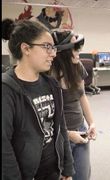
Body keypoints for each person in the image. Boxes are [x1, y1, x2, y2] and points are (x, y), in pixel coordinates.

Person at [2, 19, 74, 180]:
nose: (54, 53)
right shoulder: (6, 89)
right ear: (26, 48)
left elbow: (61, 127)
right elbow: (3, 145)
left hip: (53, 171)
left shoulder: (51, 84)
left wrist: (67, 169)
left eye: (53, 47)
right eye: (47, 47)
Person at [49, 30, 97, 180]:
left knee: (82, 175)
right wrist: (68, 134)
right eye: (75, 48)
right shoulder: (49, 74)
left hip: (80, 130)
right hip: (59, 136)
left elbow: (82, 95)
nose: (79, 52)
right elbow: (47, 115)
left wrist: (91, 123)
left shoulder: (77, 67)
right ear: (63, 52)